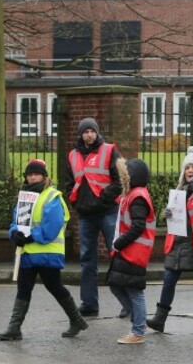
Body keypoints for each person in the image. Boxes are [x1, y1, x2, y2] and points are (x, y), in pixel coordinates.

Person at [0, 159, 88, 341]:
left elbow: (51, 228)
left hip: (47, 253)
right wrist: (14, 234)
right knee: (23, 289)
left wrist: (30, 236)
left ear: (44, 177)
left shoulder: (52, 197)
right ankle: (14, 328)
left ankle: (76, 320)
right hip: (27, 253)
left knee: (54, 287)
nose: (32, 177)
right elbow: (15, 222)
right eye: (29, 174)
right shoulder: (24, 198)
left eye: (35, 174)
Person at [147, 147, 193, 334]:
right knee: (169, 278)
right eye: (187, 167)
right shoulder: (180, 192)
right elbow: (179, 218)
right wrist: (168, 214)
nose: (190, 170)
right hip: (180, 243)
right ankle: (160, 318)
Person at [64, 117, 124, 317]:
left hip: (107, 211)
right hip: (85, 214)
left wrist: (104, 198)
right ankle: (89, 303)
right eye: (85, 131)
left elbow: (120, 180)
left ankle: (127, 302)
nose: (89, 135)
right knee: (87, 259)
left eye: (92, 131)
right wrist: (76, 203)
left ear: (97, 132)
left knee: (117, 255)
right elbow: (69, 183)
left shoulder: (109, 150)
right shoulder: (72, 155)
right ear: (80, 134)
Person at [107, 158, 156, 344]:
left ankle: (138, 331)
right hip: (128, 249)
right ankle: (139, 321)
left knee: (134, 291)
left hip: (133, 251)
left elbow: (138, 226)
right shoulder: (133, 194)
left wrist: (119, 242)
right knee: (115, 284)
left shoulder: (137, 197)